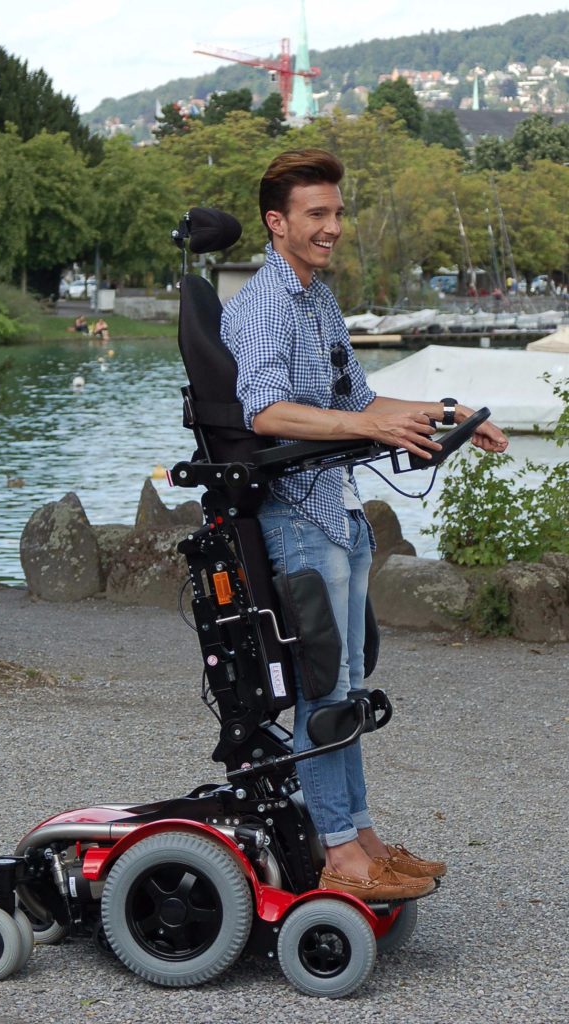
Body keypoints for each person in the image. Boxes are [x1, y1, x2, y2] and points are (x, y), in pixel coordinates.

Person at [221, 148, 509, 903]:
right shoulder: (264, 304)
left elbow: (360, 401)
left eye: (338, 213)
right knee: (323, 688)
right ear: (276, 222)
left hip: (338, 508)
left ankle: (361, 835)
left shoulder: (316, 299)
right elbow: (265, 411)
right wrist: (370, 428)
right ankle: (340, 850)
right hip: (296, 512)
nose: (333, 227)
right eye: (316, 214)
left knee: (347, 685)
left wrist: (445, 413)